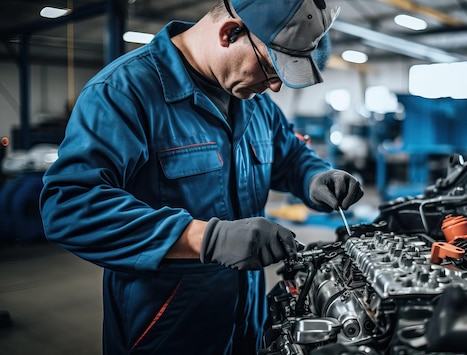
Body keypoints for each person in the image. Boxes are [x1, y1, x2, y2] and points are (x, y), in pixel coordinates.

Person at [39, 0, 363, 353]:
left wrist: (316, 176)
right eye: (271, 69)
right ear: (230, 32)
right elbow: (69, 206)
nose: (274, 88)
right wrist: (206, 239)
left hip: (246, 319)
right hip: (165, 327)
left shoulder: (252, 101)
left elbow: (289, 156)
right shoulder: (123, 92)